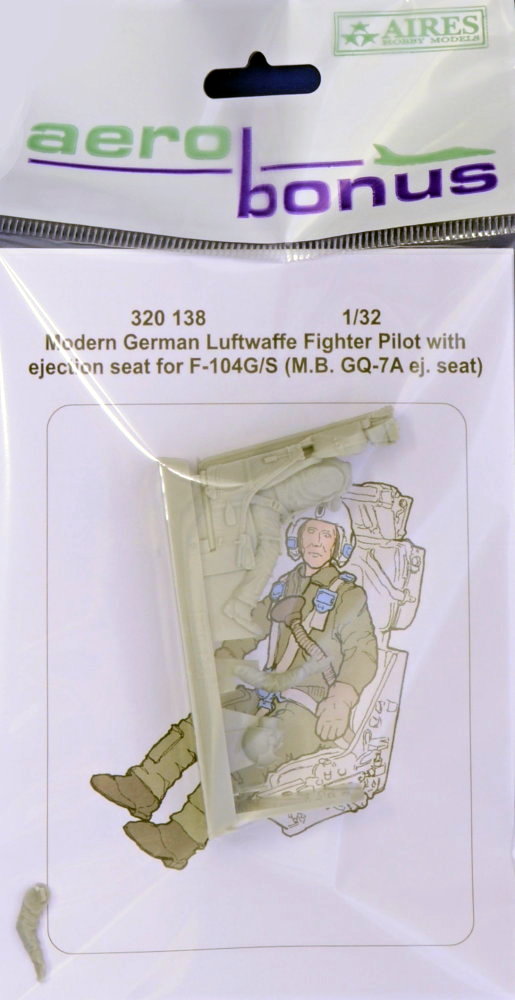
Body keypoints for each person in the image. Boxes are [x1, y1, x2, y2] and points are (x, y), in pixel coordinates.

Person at [91, 501, 377, 869]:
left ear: (340, 545)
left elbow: (362, 653)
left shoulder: (349, 597)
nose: (316, 542)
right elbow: (252, 626)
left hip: (309, 711)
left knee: (249, 753)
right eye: (311, 531)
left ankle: (180, 839)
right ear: (298, 537)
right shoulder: (286, 585)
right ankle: (143, 788)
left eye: (326, 535)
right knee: (204, 721)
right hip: (269, 692)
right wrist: (221, 658)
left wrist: (341, 697)